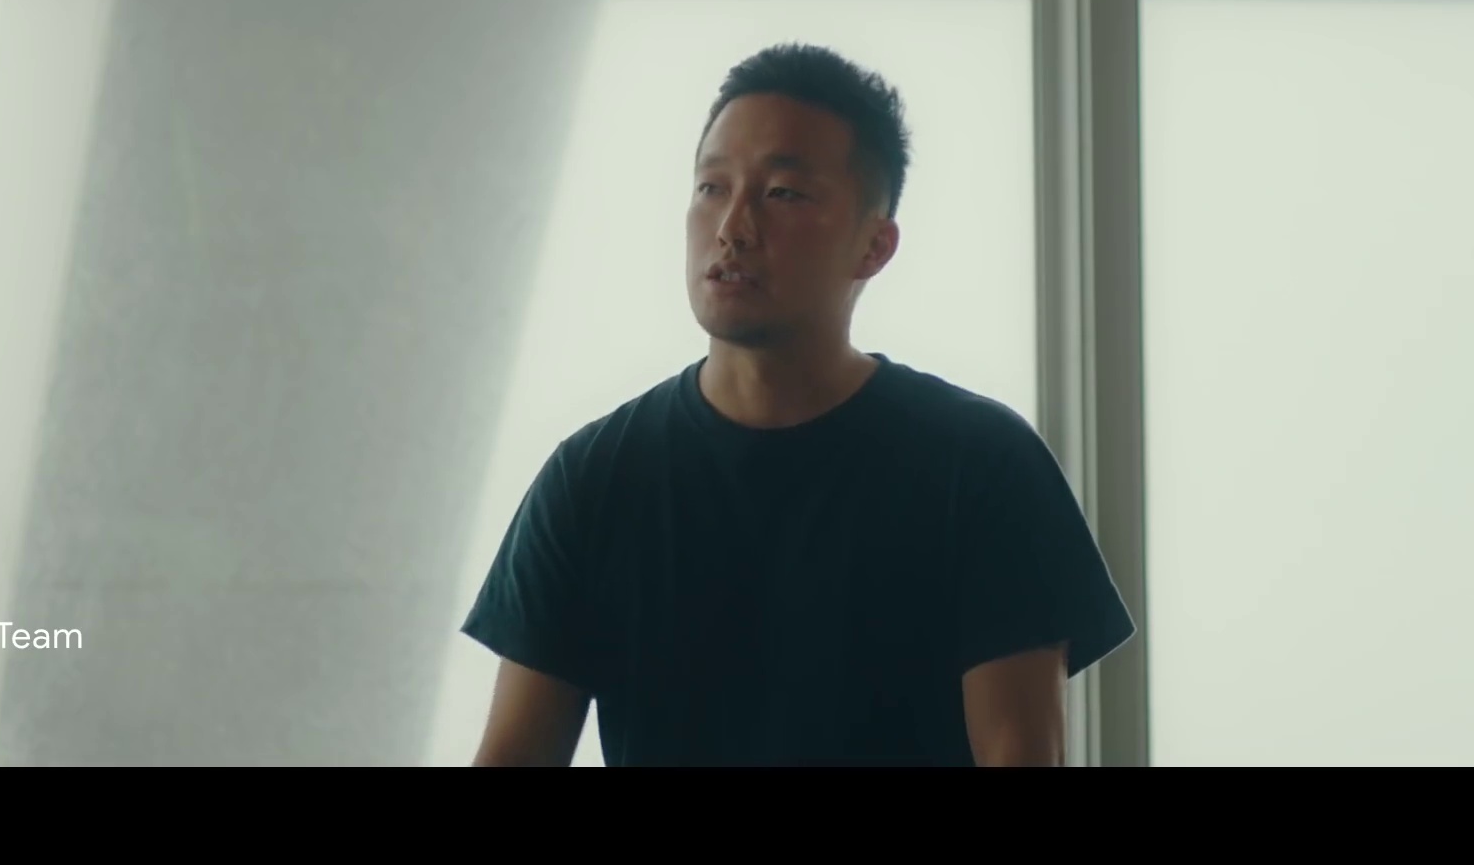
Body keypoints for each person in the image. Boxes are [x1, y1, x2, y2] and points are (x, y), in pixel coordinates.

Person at [460, 42, 1135, 767]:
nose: (733, 226)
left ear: (874, 246)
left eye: (782, 193)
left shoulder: (981, 465)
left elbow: (1021, 752)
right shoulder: (594, 478)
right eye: (711, 187)